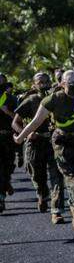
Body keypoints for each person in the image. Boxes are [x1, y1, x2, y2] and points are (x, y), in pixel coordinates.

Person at [14, 69, 74, 239]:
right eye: (72, 84)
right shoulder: (53, 99)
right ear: (63, 84)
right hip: (64, 143)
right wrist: (20, 138)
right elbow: (35, 122)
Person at [11, 72, 65, 219]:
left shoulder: (57, 99)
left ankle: (56, 210)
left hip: (53, 142)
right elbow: (15, 123)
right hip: (35, 143)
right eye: (40, 82)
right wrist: (26, 133)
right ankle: (42, 193)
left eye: (46, 82)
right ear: (34, 85)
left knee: (57, 176)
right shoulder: (30, 100)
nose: (43, 85)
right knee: (36, 174)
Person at [0, 73, 16, 212]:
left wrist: (8, 112)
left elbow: (18, 120)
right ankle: (1, 197)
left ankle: (6, 183)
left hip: (7, 138)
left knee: (8, 167)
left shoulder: (11, 99)